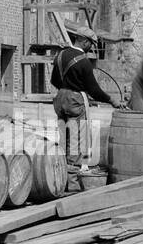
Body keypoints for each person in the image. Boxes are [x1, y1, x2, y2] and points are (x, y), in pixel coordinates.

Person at [50, 33, 118, 180]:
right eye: (91, 44)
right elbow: (94, 90)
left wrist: (65, 88)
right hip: (75, 100)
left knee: (63, 139)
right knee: (77, 142)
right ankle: (71, 183)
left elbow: (54, 80)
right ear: (84, 41)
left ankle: (59, 179)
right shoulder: (84, 62)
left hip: (60, 97)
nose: (91, 47)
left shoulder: (60, 55)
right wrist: (112, 100)